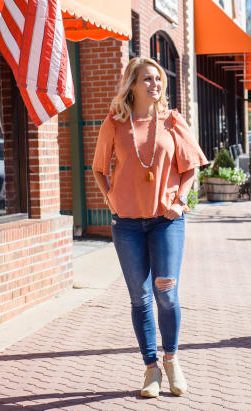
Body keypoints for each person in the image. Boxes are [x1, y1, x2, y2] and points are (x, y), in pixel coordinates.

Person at [92, 57, 208, 398]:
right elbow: (99, 169)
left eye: (158, 78)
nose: (155, 83)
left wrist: (179, 202)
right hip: (126, 224)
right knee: (140, 298)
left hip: (166, 221)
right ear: (132, 84)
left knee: (165, 292)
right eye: (147, 78)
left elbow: (190, 168)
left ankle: (172, 360)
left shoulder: (172, 121)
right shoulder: (114, 123)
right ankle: (151, 369)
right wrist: (112, 201)